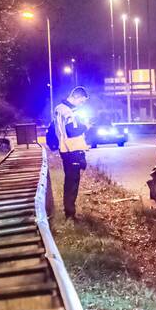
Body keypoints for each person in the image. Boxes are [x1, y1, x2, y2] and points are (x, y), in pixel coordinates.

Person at [54, 86, 90, 220]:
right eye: (81, 101)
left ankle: (69, 211)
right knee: (72, 183)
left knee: (69, 181)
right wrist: (86, 126)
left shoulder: (58, 108)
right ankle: (70, 214)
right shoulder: (68, 111)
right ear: (76, 96)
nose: (81, 104)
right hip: (72, 150)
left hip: (65, 149)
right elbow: (72, 131)